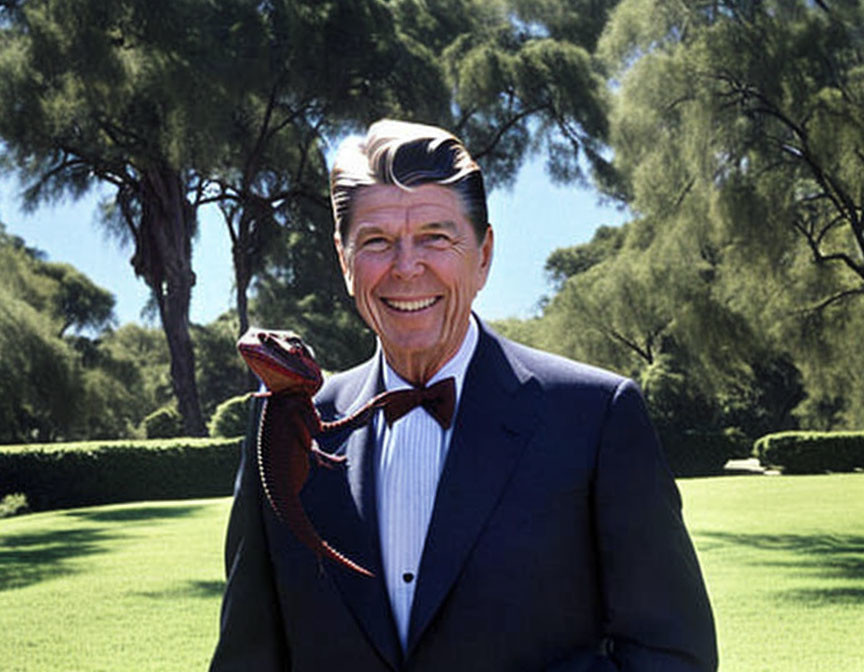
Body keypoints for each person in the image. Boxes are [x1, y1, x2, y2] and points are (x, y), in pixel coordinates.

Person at [210, 119, 718, 671]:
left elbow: (672, 656)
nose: (407, 267)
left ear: (484, 254)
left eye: (436, 237)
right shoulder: (282, 427)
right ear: (343, 259)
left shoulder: (595, 418)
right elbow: (247, 657)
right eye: (377, 242)